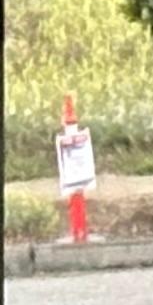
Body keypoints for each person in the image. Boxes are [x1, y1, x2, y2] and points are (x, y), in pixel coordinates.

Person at [55, 96, 97, 243]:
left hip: (74, 175)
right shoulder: (79, 138)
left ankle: (79, 233)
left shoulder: (67, 140)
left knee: (76, 201)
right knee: (77, 200)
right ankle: (80, 232)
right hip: (77, 175)